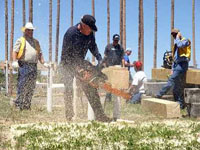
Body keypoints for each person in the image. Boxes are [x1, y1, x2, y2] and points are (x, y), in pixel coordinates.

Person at [60, 14, 111, 122]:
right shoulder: (71, 33)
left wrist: (99, 57)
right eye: (89, 29)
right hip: (67, 64)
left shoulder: (90, 33)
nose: (90, 31)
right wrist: (78, 69)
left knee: (90, 85)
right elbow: (66, 54)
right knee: (68, 88)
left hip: (80, 61)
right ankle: (69, 116)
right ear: (83, 25)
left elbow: (93, 46)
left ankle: (100, 116)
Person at [11, 22, 48, 110]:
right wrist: (14, 61)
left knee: (31, 86)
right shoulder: (21, 40)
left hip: (33, 66)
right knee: (22, 84)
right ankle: (18, 104)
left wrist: (43, 62)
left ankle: (27, 105)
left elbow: (40, 53)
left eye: (32, 30)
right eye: (29, 30)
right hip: (24, 65)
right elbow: (15, 51)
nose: (30, 32)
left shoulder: (36, 42)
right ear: (25, 31)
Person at [155, 28, 191, 109]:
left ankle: (159, 95)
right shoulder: (176, 45)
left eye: (175, 34)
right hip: (177, 66)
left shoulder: (186, 41)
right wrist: (172, 69)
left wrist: (178, 37)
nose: (174, 36)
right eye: (173, 35)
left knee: (171, 80)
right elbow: (175, 59)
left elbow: (180, 45)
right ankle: (180, 105)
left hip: (182, 65)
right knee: (176, 87)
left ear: (179, 33)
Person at [103, 34, 125, 102]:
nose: (116, 42)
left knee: (116, 84)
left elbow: (122, 58)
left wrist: (123, 67)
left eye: (117, 40)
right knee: (109, 83)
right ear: (113, 40)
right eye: (115, 40)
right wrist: (104, 65)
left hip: (117, 68)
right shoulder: (108, 46)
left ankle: (116, 99)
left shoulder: (120, 48)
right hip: (109, 67)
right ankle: (108, 98)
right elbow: (105, 56)